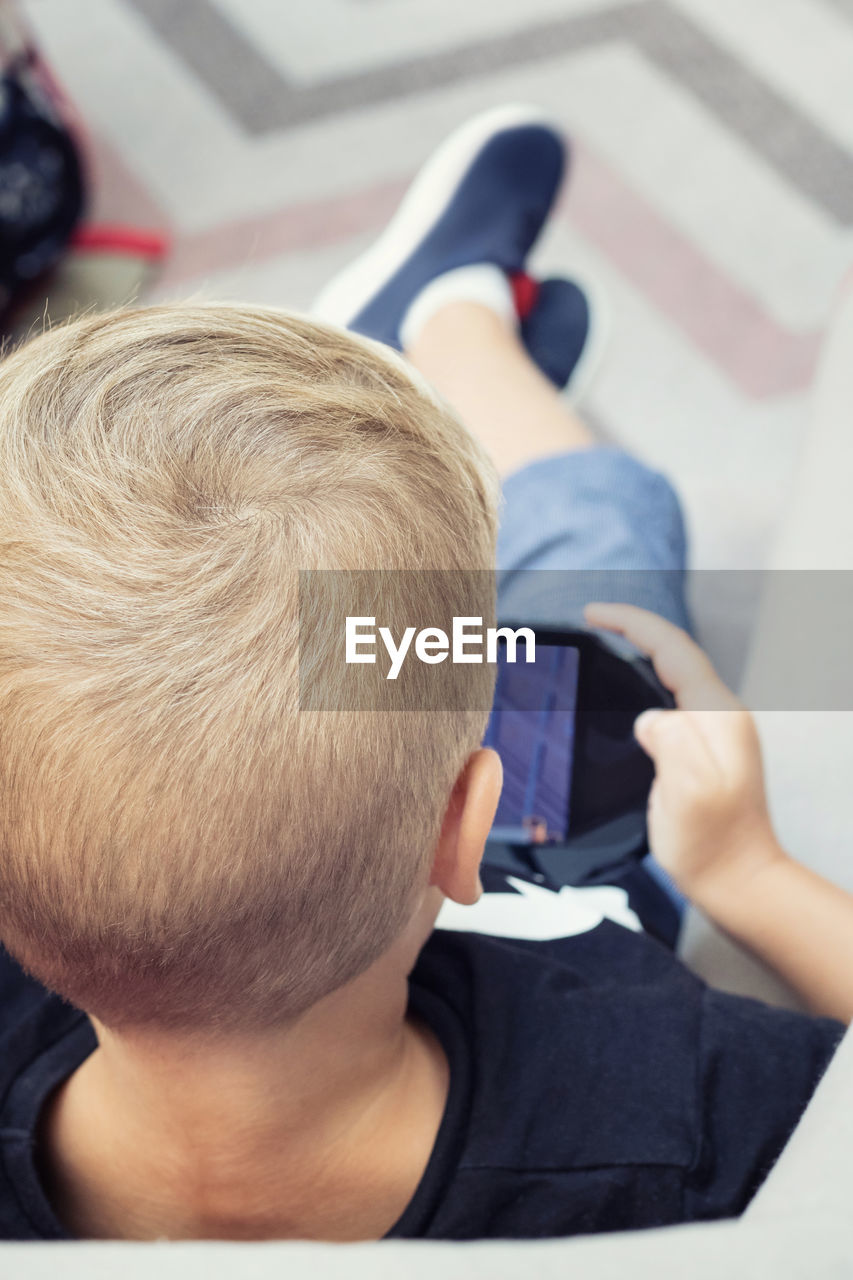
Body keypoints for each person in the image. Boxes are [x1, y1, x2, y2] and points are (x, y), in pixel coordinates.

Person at [0, 106, 849, 1245]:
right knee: (600, 520)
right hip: (548, 888)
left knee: (337, 628)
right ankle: (450, 322)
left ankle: (435, 354)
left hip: (369, 816)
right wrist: (746, 869)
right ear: (463, 827)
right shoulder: (673, 1090)